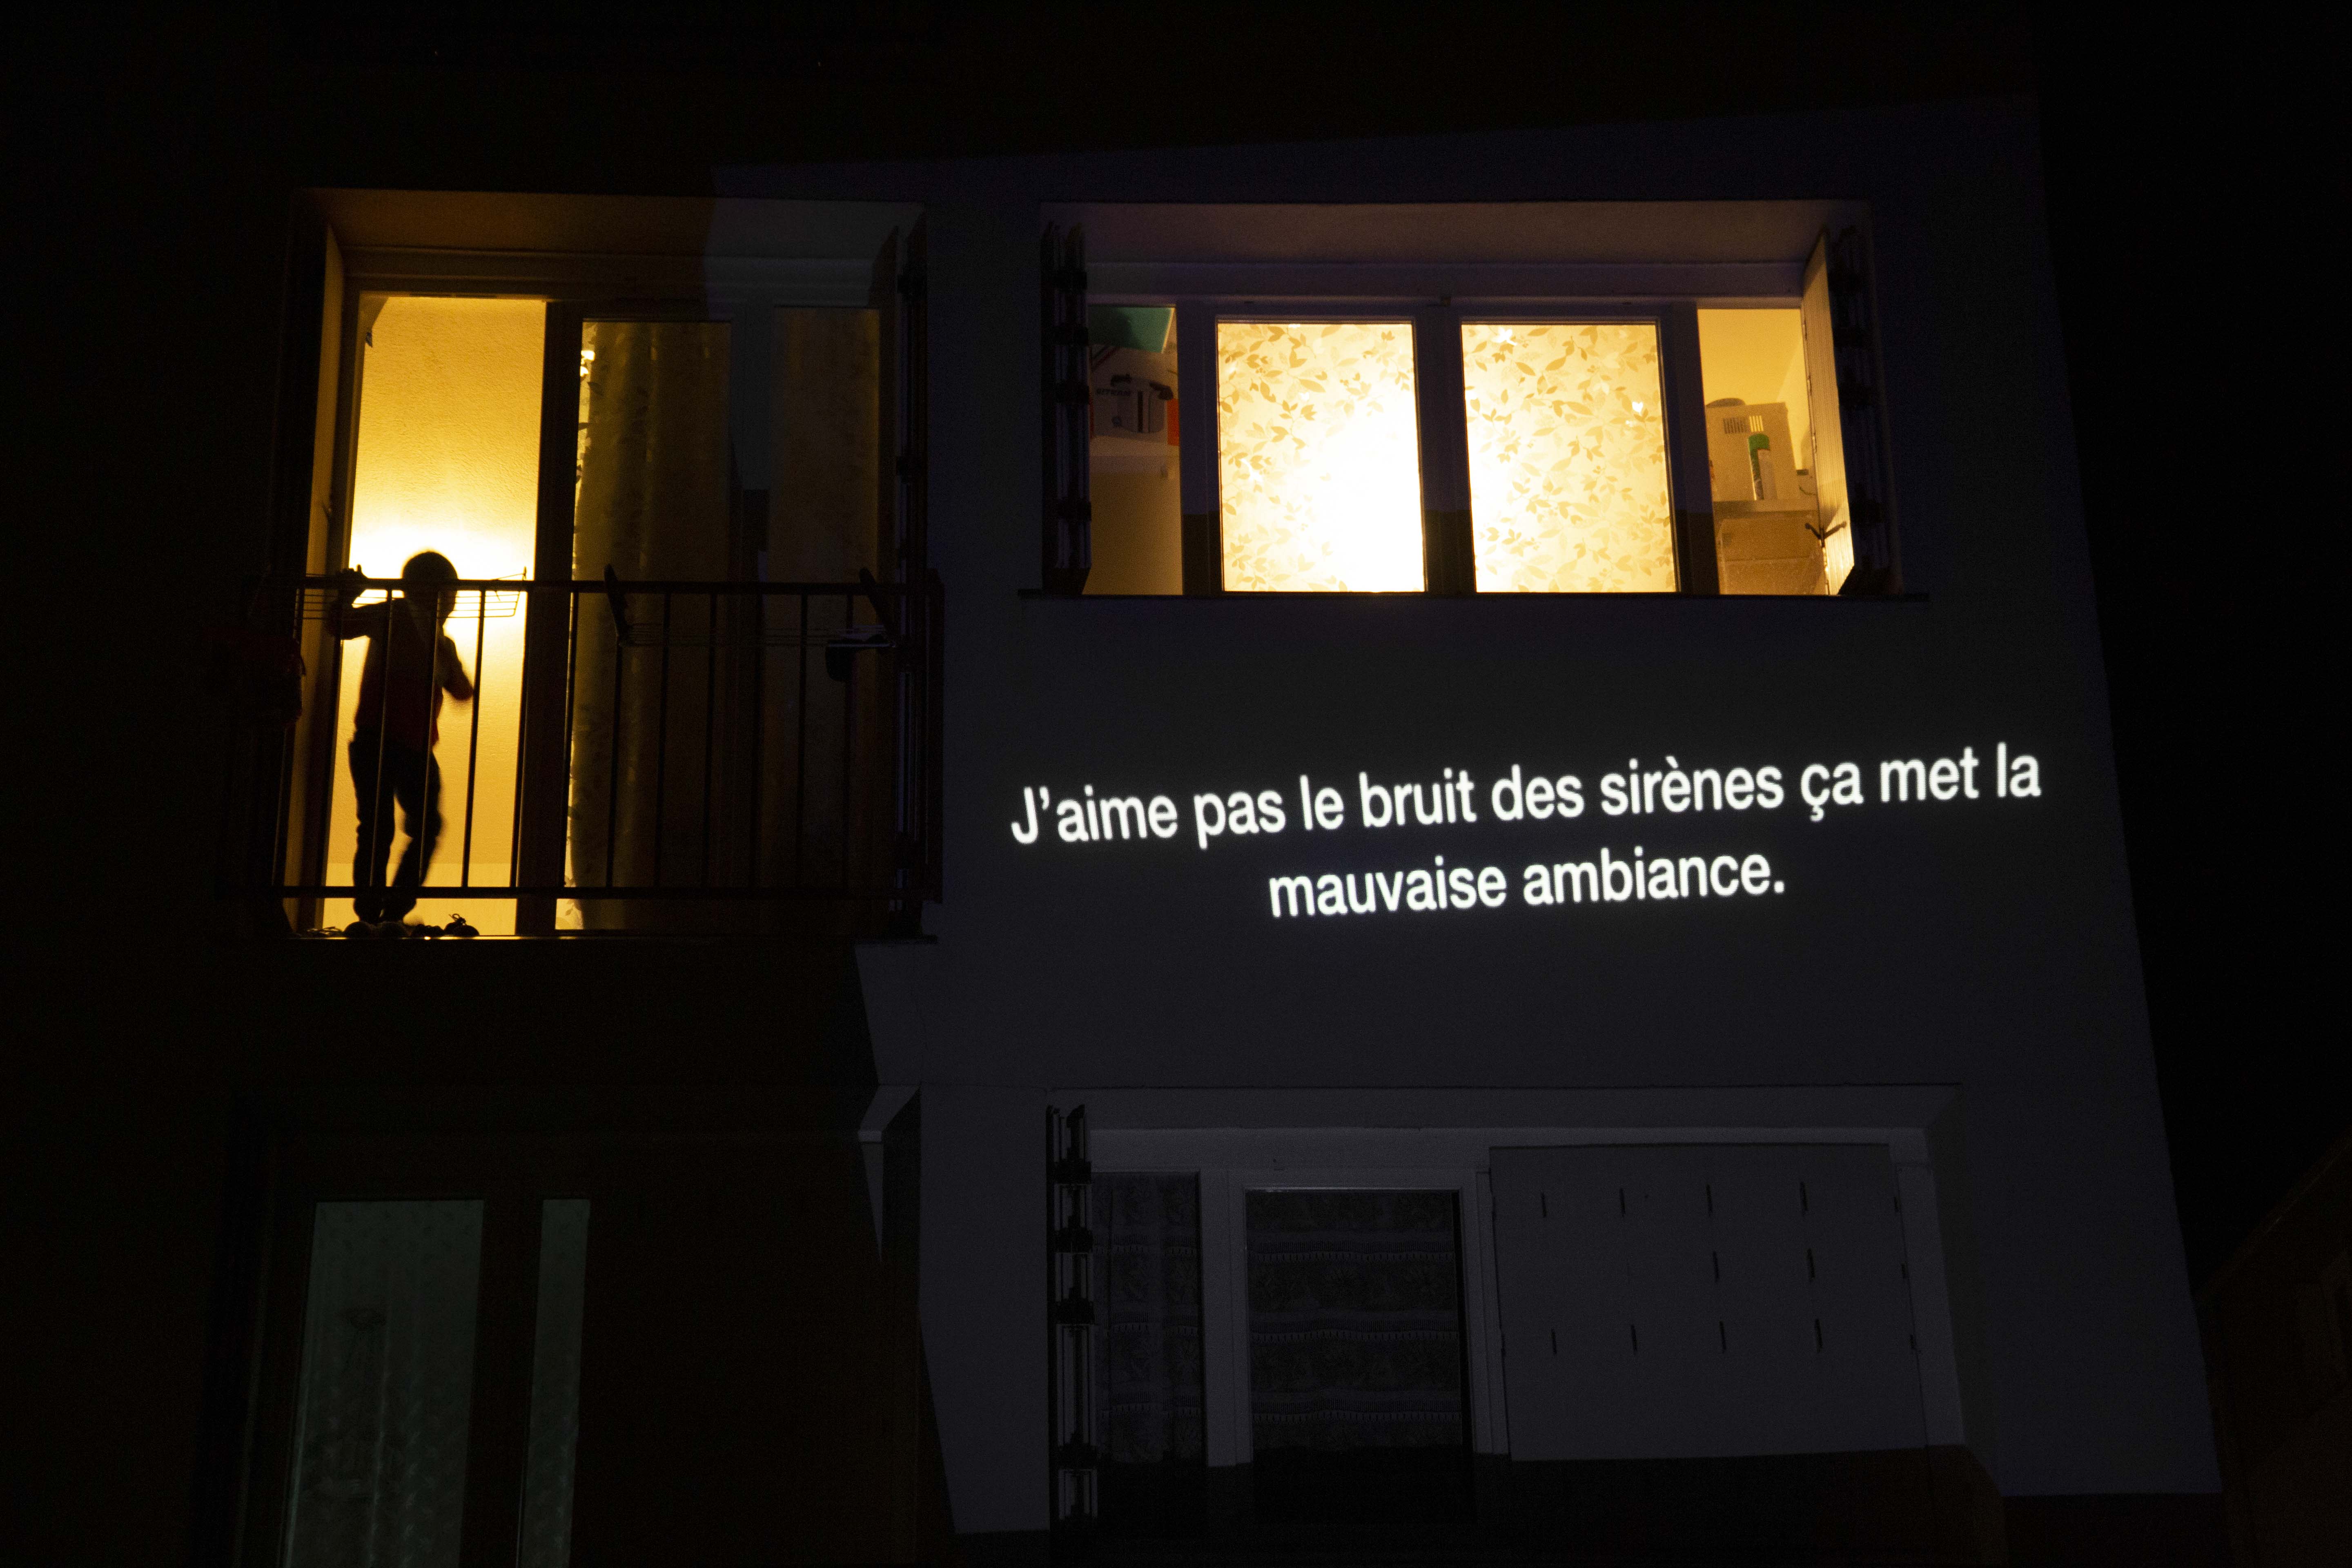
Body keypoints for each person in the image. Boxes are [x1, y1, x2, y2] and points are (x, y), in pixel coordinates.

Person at [335, 552, 474, 934]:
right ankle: (380, 914)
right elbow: (342, 625)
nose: (452, 602)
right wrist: (346, 597)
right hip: (382, 741)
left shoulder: (440, 640)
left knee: (397, 826)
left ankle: (382, 914)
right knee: (384, 828)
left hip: (408, 745)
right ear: (433, 591)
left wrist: (447, 658)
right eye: (450, 593)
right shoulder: (394, 614)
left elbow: (462, 691)